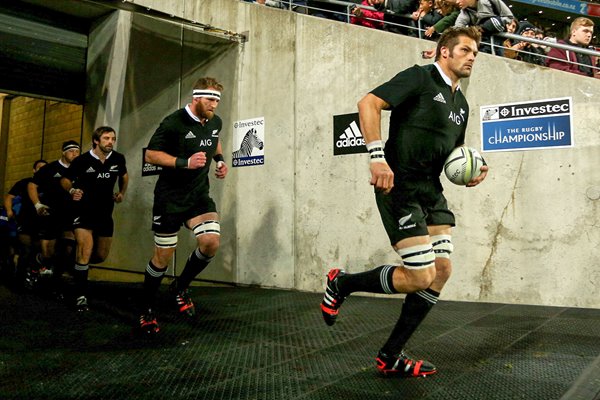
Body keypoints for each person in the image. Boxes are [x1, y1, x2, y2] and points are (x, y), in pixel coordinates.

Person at [320, 26, 488, 377]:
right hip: (399, 185)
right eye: (466, 50)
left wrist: (471, 170)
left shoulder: (462, 103)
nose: (472, 56)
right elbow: (369, 102)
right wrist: (376, 156)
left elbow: (453, 152)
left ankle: (390, 356)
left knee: (441, 272)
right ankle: (343, 284)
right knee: (419, 276)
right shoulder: (420, 77)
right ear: (445, 52)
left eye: (475, 52)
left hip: (431, 190)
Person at [138, 77, 229, 335]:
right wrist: (184, 162)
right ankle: (146, 309)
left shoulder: (214, 121)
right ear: (196, 97)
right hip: (170, 199)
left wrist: (220, 161)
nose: (215, 105)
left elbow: (215, 139)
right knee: (163, 257)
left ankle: (180, 287)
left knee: (211, 242)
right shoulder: (173, 122)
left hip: (198, 196)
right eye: (211, 99)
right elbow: (151, 155)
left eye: (218, 100)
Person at [61, 127, 128, 312]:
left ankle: (73, 261)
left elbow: (124, 176)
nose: (110, 142)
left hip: (105, 214)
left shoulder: (118, 158)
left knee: (99, 255)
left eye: (113, 138)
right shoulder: (82, 160)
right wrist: (72, 190)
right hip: (83, 211)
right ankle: (81, 295)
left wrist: (121, 193)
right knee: (85, 250)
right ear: (96, 141)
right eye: (106, 138)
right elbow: (65, 180)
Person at [28, 142, 80, 294]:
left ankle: (57, 281)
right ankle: (39, 262)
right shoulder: (49, 168)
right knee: (48, 252)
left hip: (70, 214)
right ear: (63, 153)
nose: (75, 154)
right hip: (51, 213)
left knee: (68, 248)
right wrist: (37, 205)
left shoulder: (80, 169)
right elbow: (32, 185)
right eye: (71, 151)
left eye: (77, 151)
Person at [2, 159, 47, 285]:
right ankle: (19, 280)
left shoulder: (50, 184)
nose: (42, 170)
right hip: (26, 221)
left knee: (40, 250)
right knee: (26, 250)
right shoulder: (24, 183)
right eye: (39, 168)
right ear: (34, 170)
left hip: (43, 224)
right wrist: (9, 211)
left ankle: (33, 275)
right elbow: (9, 197)